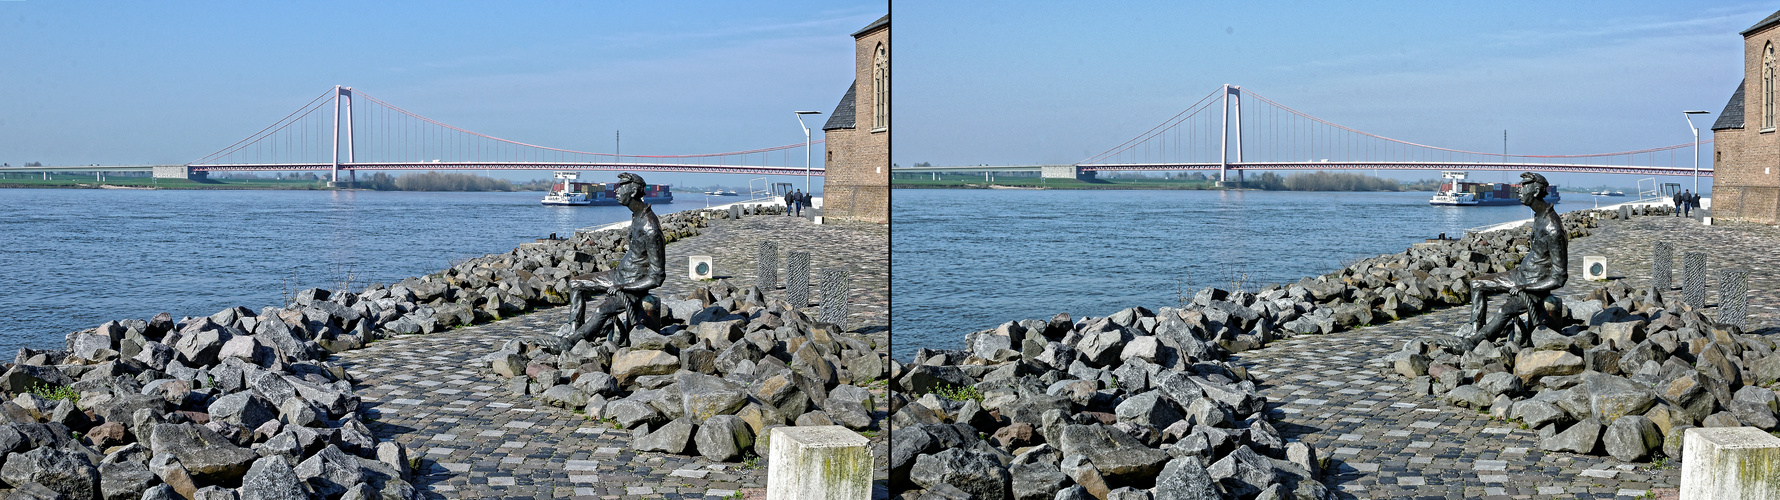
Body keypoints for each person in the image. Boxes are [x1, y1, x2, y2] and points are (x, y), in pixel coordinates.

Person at [1457, 172, 1569, 349]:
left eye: (1524, 186)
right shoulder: (1538, 216)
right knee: (1476, 284)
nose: (1519, 189)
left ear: (1536, 191)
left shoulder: (1553, 229)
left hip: (1534, 284)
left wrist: (1525, 288)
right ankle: (1475, 331)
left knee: (1504, 311)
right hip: (1520, 275)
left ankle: (1474, 342)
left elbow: (1559, 277)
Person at [559, 173, 666, 350]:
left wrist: (623, 288)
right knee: (575, 283)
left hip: (632, 283)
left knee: (602, 310)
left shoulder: (650, 229)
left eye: (621, 187)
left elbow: (657, 278)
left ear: (632, 192)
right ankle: (575, 330)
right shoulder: (636, 216)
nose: (616, 191)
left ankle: (572, 342)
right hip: (618, 275)